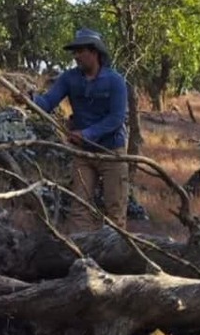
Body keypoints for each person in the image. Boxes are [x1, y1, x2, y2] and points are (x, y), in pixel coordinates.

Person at [33, 28, 129, 231]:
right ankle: (81, 253)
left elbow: (116, 119)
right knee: (79, 207)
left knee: (115, 209)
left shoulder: (116, 81)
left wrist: (86, 133)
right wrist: (29, 100)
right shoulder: (69, 78)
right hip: (82, 153)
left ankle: (115, 255)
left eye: (80, 51)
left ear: (94, 52)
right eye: (74, 52)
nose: (76, 56)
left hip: (112, 152)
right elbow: (48, 102)